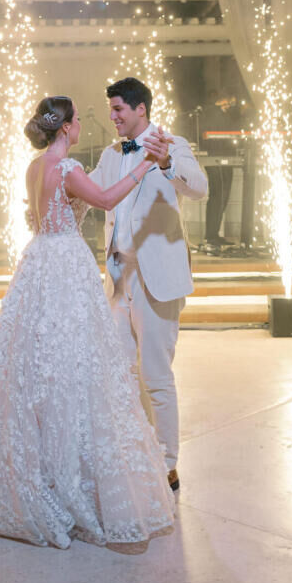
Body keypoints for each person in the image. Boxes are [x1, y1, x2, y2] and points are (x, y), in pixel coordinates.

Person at [0, 95, 175, 551]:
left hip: (38, 262)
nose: (82, 126)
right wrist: (146, 164)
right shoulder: (67, 170)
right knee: (77, 366)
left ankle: (43, 474)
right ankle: (69, 482)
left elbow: (40, 215)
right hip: (66, 264)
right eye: (77, 121)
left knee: (36, 366)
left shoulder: (34, 166)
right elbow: (107, 197)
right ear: (66, 127)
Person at [90, 77, 208, 494]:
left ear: (141, 109)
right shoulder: (109, 153)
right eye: (112, 109)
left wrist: (164, 164)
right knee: (121, 374)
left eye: (119, 109)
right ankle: (135, 454)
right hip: (119, 276)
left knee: (155, 375)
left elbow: (199, 187)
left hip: (156, 277)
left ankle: (167, 465)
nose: (113, 116)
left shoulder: (170, 144)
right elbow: (91, 190)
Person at [201, 88, 247, 254]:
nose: (230, 105)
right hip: (216, 159)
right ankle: (211, 235)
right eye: (229, 102)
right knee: (218, 195)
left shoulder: (224, 114)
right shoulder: (212, 113)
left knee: (223, 196)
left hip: (226, 157)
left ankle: (214, 233)